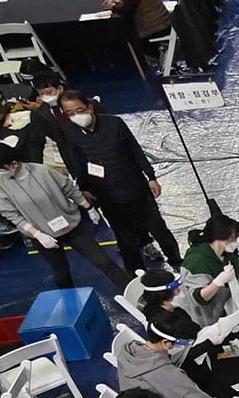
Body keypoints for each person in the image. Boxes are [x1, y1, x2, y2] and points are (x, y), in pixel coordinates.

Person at [55, 90, 180, 269]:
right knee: (126, 242)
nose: (76, 116)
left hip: (135, 188)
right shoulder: (69, 134)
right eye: (69, 113)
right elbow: (76, 163)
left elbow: (135, 149)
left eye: (79, 110)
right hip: (107, 196)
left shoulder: (114, 123)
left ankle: (177, 263)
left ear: (89, 107)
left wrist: (151, 177)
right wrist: (84, 189)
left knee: (159, 230)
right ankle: (139, 278)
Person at [0, 138, 120, 289]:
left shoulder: (43, 171)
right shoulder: (0, 185)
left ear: (13, 164)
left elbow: (69, 188)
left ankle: (138, 297)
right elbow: (11, 214)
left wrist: (89, 208)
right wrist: (37, 234)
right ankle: (71, 304)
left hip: (71, 226)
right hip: (43, 235)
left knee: (104, 262)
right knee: (61, 274)